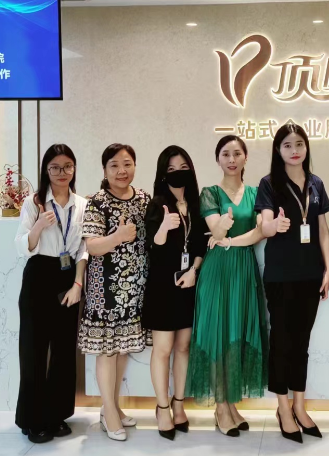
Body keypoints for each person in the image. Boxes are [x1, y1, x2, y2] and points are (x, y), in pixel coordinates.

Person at [185, 135, 268, 437]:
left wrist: (231, 239)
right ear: (217, 159)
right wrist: (224, 228)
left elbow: (261, 232)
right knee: (219, 336)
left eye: (236, 153)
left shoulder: (257, 193)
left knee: (237, 336)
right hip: (218, 270)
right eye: (225, 154)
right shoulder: (209, 193)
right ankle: (221, 407)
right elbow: (215, 232)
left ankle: (231, 403)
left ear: (245, 157)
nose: (231, 159)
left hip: (244, 268)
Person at [255, 123, 329, 444]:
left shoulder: (316, 183)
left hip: (311, 275)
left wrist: (328, 268)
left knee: (301, 342)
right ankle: (283, 408)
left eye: (299, 143)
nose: (294, 150)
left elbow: (323, 229)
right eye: (287, 145)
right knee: (282, 342)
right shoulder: (269, 183)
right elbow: (264, 224)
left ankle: (300, 406)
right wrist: (273, 224)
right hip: (281, 276)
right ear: (278, 150)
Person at [13, 144, 87, 444]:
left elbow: (83, 247)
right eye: (55, 167)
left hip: (69, 276)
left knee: (63, 350)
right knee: (33, 348)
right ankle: (31, 419)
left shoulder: (82, 204)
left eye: (67, 166)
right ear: (46, 170)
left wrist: (78, 284)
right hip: (39, 275)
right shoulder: (35, 203)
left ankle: (56, 415)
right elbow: (21, 245)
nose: (62, 172)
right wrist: (39, 226)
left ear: (74, 169)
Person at [79, 143, 150, 441]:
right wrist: (118, 236)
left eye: (127, 164)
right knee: (107, 351)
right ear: (105, 170)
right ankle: (108, 411)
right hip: (105, 290)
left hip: (135, 290)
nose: (122, 171)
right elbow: (92, 246)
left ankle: (113, 406)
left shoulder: (144, 199)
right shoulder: (96, 202)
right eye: (115, 165)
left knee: (122, 349)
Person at [142, 146, 208, 441]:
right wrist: (164, 229)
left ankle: (179, 404)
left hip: (188, 284)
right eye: (171, 169)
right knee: (163, 349)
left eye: (183, 167)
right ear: (163, 174)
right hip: (162, 287)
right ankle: (162, 408)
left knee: (183, 346)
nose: (178, 173)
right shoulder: (158, 204)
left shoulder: (196, 203)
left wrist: (194, 270)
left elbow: (201, 245)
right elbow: (151, 246)